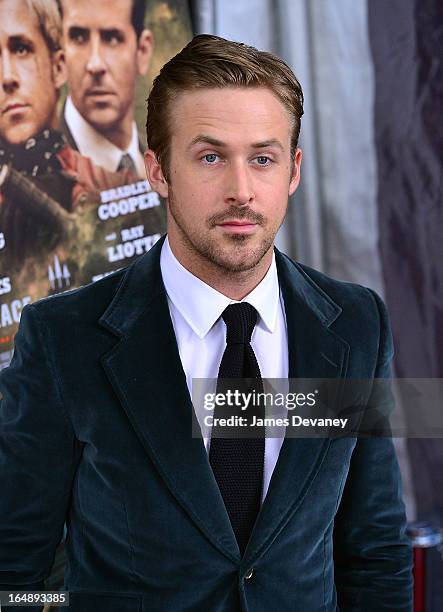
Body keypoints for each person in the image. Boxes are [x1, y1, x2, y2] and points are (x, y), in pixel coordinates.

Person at [0, 35, 412, 611]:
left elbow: (375, 549)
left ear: (293, 170)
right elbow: (14, 565)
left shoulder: (356, 325)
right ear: (158, 170)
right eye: (211, 157)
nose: (241, 191)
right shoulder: (63, 338)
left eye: (262, 158)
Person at [59, 0, 153, 177]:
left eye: (112, 38)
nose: (95, 64)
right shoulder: (34, 179)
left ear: (142, 52)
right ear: (60, 54)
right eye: (79, 38)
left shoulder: (167, 166)